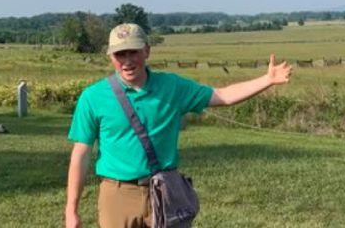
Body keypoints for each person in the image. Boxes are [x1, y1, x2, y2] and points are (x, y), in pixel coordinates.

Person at [64, 23, 292, 228]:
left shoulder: (172, 86)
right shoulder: (93, 97)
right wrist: (71, 210)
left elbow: (222, 96)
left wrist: (267, 80)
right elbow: (81, 155)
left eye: (133, 52)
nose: (127, 60)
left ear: (147, 51)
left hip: (164, 191)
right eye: (119, 54)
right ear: (111, 57)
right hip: (117, 195)